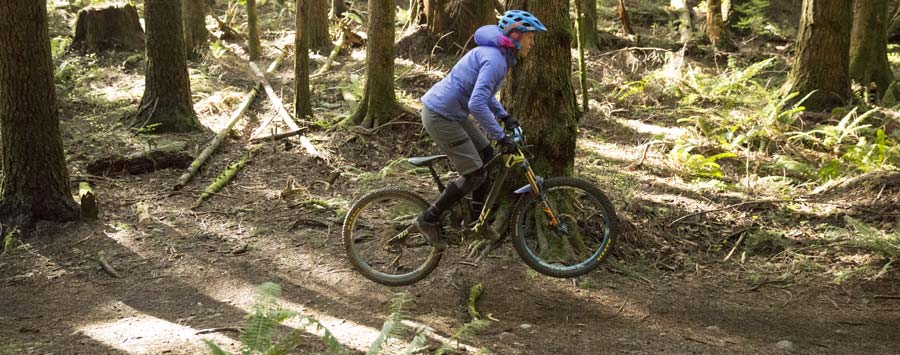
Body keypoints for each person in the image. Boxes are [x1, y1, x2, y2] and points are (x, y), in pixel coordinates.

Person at [413, 10, 548, 251]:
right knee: (475, 174)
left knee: (488, 159)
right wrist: (500, 136)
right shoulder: (496, 60)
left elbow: (483, 97)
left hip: (453, 112)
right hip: (440, 115)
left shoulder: (498, 57)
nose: (532, 43)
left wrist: (504, 115)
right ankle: (428, 219)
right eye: (530, 37)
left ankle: (477, 221)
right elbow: (477, 103)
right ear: (515, 35)